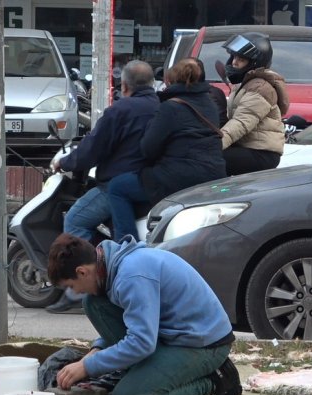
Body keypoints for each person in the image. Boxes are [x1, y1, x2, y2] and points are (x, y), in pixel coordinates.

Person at [47, 233, 242, 395]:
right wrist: (97, 350)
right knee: (93, 303)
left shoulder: (131, 276)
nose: (76, 292)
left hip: (204, 344)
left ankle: (214, 380)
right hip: (170, 336)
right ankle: (140, 369)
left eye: (72, 286)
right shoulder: (110, 265)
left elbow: (142, 342)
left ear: (82, 272)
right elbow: (131, 323)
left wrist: (88, 366)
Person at [45, 60, 160, 313]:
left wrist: (64, 162)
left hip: (117, 183)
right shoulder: (160, 107)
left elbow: (92, 148)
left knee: (75, 220)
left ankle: (79, 288)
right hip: (149, 183)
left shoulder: (120, 110)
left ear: (124, 85)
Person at [105, 58, 227, 241]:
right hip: (214, 173)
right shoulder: (209, 103)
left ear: (170, 81)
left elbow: (148, 149)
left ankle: (126, 246)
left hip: (181, 176)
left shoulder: (170, 107)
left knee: (117, 187)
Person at [220, 32, 290, 175]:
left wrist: (215, 144)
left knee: (211, 159)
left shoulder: (259, 87)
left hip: (261, 153)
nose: (234, 62)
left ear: (254, 63)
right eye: (233, 57)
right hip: (247, 147)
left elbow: (241, 123)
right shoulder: (244, 84)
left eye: (241, 59)